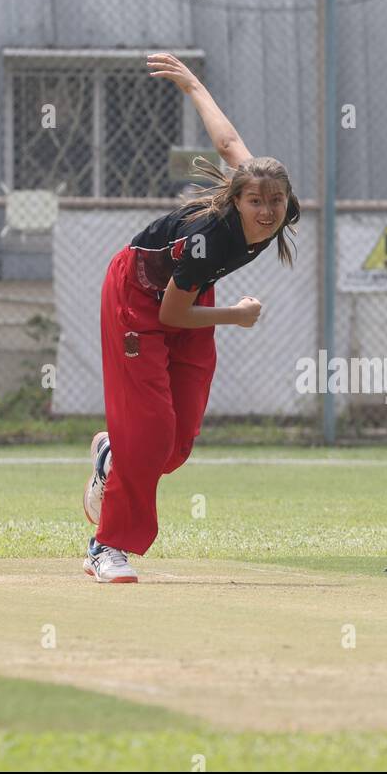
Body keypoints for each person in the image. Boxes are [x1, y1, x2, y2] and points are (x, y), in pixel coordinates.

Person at [79, 53, 299, 583]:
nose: (267, 211)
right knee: (151, 433)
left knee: (174, 445)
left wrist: (195, 85)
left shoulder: (277, 205)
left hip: (189, 294)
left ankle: (110, 455)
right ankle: (105, 547)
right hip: (139, 293)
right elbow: (171, 311)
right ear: (238, 201)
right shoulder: (210, 236)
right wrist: (236, 316)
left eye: (275, 200)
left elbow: (230, 147)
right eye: (255, 201)